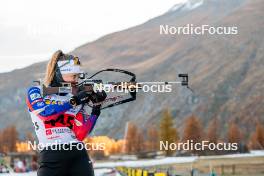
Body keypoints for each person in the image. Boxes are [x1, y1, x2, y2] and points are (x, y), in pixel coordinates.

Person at [26, 50, 106, 176]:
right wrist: (74, 101)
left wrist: (96, 108)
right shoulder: (37, 91)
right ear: (58, 73)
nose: (76, 80)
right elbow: (45, 115)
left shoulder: (75, 96)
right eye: (73, 76)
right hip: (51, 156)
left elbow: (81, 134)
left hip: (78, 155)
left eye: (78, 76)